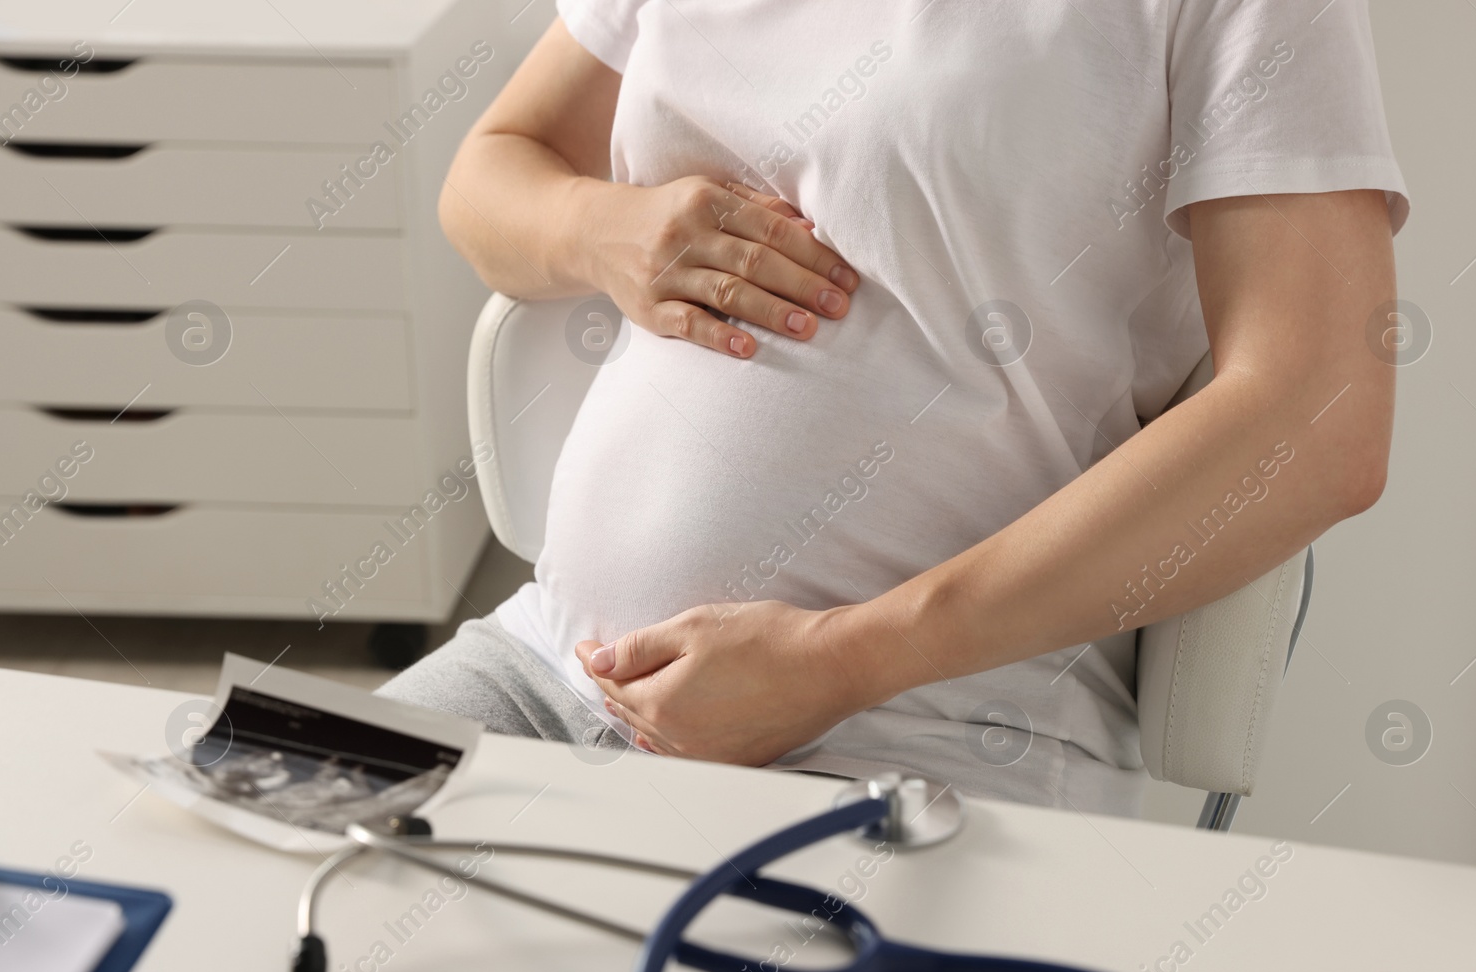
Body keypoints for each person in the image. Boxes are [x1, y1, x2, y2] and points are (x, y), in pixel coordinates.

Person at [377, 0, 1409, 815]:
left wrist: (844, 660)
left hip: (914, 732)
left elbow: (1319, 414)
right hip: (546, 664)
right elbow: (490, 172)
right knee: (239, 889)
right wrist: (604, 228)